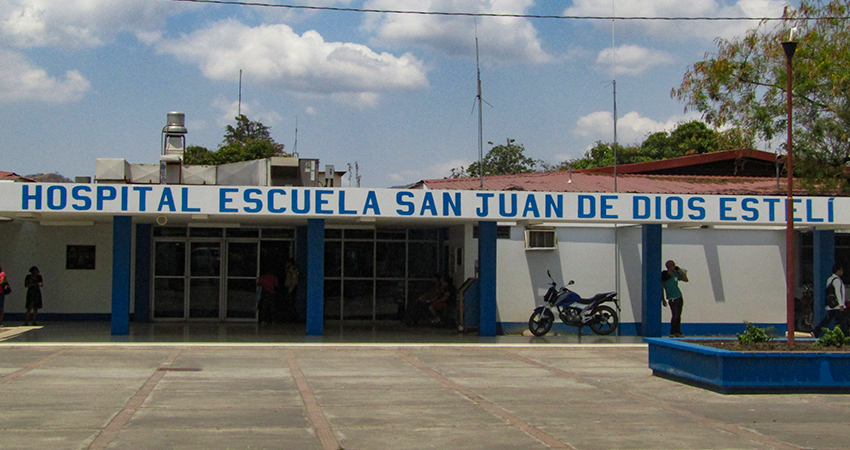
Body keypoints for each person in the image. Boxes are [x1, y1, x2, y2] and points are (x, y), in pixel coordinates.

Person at [815, 264, 847, 337]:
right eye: (841, 270)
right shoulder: (837, 280)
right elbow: (838, 293)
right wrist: (841, 304)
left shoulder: (830, 279)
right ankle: (846, 335)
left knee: (828, 320)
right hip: (837, 306)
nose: (842, 272)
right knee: (842, 321)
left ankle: (816, 331)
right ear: (838, 271)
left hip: (831, 305)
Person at [662, 260, 689, 337]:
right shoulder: (665, 276)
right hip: (671, 298)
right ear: (668, 267)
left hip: (678, 296)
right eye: (672, 265)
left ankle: (678, 331)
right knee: (675, 315)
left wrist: (680, 271)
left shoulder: (676, 274)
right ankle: (672, 331)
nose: (674, 267)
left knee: (679, 315)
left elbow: (686, 280)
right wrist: (663, 299)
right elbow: (662, 288)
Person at [0, 264, 7, 328]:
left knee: (0, 307)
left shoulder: (2, 274)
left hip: (0, 292)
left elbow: (2, 282)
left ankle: (0, 322)